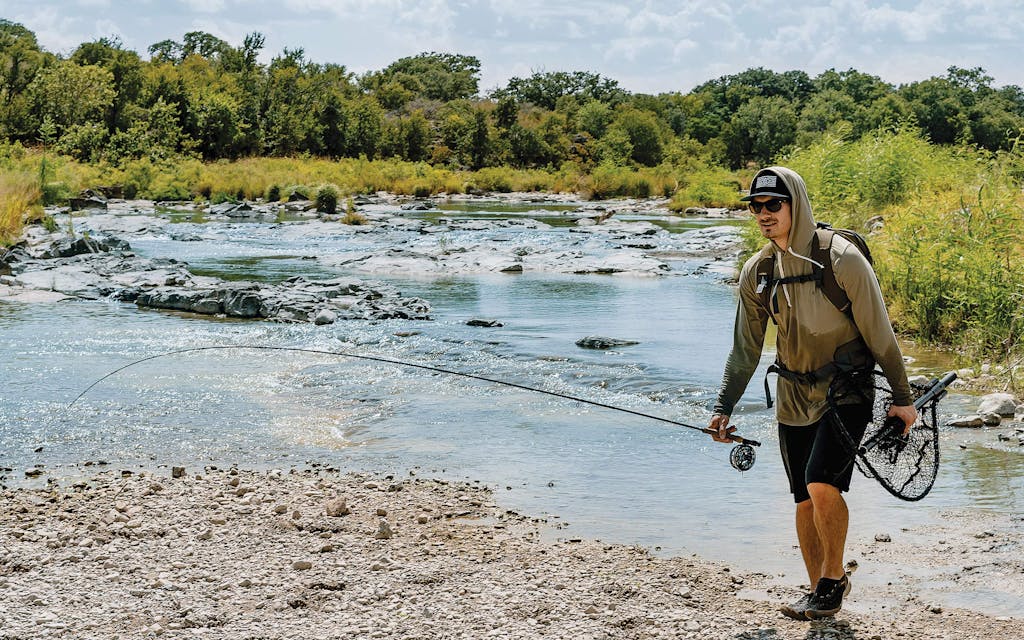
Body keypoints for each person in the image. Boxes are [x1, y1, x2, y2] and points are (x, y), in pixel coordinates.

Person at [708, 166, 917, 620]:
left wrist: (902, 397)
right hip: (792, 393)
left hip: (847, 389)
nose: (763, 214)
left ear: (795, 205)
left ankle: (831, 580)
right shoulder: (758, 270)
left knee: (822, 481)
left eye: (773, 205)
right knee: (803, 495)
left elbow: (880, 334)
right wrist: (723, 407)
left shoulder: (841, 259)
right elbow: (745, 348)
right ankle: (817, 590)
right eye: (755, 206)